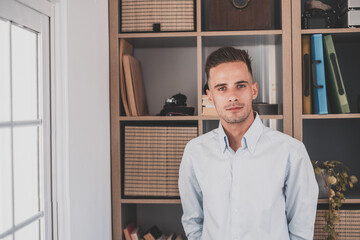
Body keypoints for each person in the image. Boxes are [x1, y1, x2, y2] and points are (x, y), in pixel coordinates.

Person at [178, 47, 318, 240]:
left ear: (254, 90)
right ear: (210, 97)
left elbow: (301, 228)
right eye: (222, 88)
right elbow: (193, 221)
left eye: (240, 85)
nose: (232, 96)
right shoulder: (195, 152)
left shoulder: (291, 152)